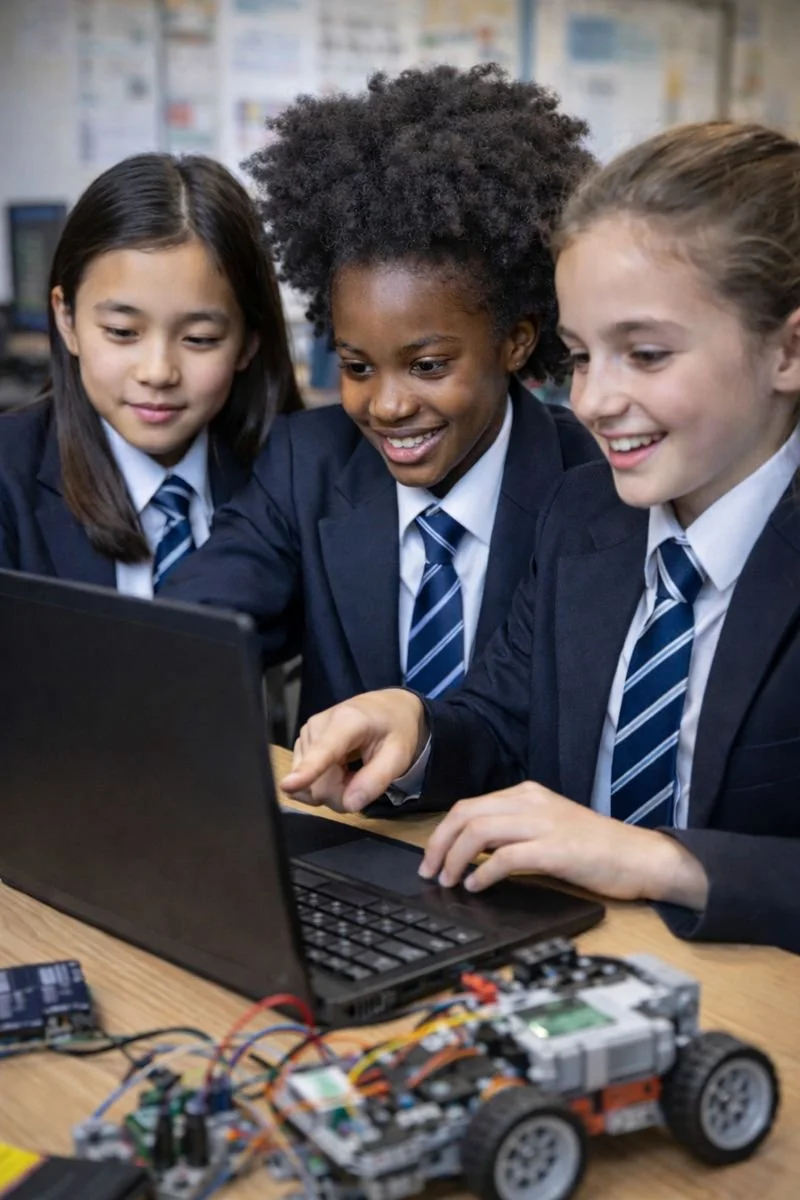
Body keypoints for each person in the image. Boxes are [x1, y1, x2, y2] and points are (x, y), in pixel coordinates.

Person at [282, 121, 800, 954]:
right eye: (582, 356)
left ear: (788, 348)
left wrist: (662, 862)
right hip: (565, 964)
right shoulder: (587, 511)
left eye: (645, 353)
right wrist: (414, 725)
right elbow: (500, 718)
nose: (593, 400)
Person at [162, 64, 600, 726]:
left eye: (426, 365)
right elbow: (203, 617)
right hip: (345, 827)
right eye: (357, 366)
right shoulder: (305, 464)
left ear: (515, 342)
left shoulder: (587, 486)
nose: (387, 406)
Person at [0, 153, 300, 594]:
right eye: (122, 332)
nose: (158, 372)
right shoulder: (9, 478)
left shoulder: (291, 478)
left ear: (249, 343)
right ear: (67, 320)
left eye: (199, 338)